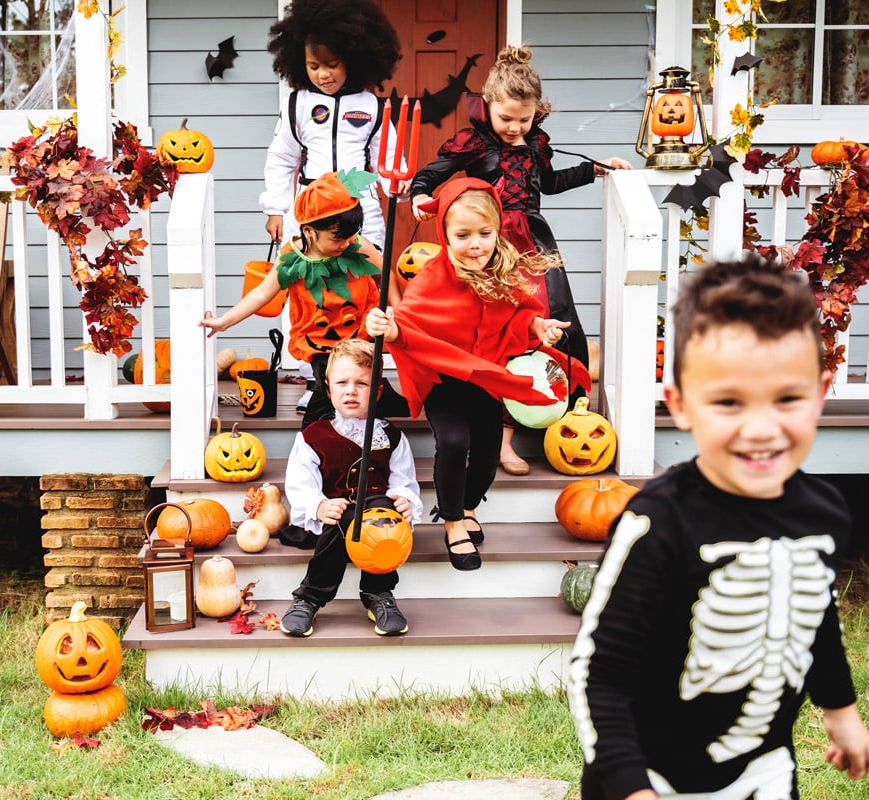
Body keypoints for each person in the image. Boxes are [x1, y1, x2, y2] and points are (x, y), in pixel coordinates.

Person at [567, 253, 869, 800]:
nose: (760, 428)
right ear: (682, 404)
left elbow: (815, 614)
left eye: (787, 398)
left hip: (764, 770)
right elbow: (599, 673)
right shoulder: (657, 521)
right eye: (728, 403)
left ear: (821, 392)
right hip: (649, 774)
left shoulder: (825, 512)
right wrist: (629, 785)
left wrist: (841, 710)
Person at [409, 44, 632, 476]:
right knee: (499, 330)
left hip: (531, 241)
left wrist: (595, 169)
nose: (514, 128)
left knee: (547, 321)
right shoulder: (474, 142)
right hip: (490, 246)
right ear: (488, 106)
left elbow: (548, 183)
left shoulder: (535, 143)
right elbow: (431, 174)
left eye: (524, 120)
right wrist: (421, 194)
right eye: (506, 118)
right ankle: (498, 437)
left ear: (537, 113)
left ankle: (555, 415)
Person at [365, 178, 588, 572]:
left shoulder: (502, 270)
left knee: (487, 454)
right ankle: (452, 521)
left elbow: (519, 313)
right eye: (463, 235)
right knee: (453, 441)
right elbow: (410, 324)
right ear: (445, 235)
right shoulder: (431, 279)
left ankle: (468, 505)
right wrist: (389, 328)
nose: (475, 245)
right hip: (442, 379)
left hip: (486, 377)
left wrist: (538, 327)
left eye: (484, 234)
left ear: (497, 229)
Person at [201, 169, 407, 427]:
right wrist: (225, 321)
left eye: (349, 235)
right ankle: (314, 433)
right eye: (337, 238)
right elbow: (263, 292)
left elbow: (383, 273)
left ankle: (374, 404)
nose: (344, 243)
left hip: (358, 332)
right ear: (309, 231)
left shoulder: (356, 245)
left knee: (361, 376)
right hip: (320, 339)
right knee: (328, 384)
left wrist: (399, 310)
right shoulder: (292, 258)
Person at [279, 338, 423, 638]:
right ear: (328, 389)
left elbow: (403, 482)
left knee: (380, 504)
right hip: (330, 525)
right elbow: (300, 484)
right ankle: (310, 596)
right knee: (344, 515)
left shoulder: (392, 439)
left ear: (378, 392)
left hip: (378, 528)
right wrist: (318, 506)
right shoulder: (312, 437)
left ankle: (378, 592)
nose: (351, 390)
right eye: (342, 382)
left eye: (362, 383)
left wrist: (405, 500)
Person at [261, 0, 404, 252]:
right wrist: (275, 210)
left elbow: (389, 155)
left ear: (351, 58)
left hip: (360, 207)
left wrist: (399, 182)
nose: (322, 74)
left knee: (366, 281)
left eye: (331, 64)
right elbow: (282, 158)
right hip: (309, 207)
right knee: (306, 281)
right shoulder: (298, 104)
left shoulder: (372, 105)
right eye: (313, 66)